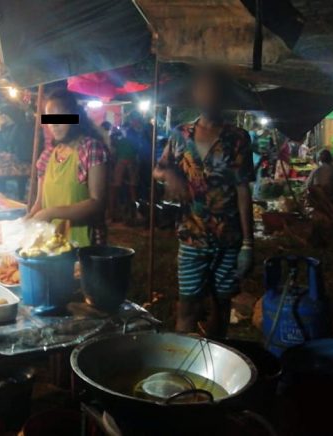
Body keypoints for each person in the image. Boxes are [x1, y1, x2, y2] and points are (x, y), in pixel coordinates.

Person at [153, 68, 254, 338]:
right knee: (188, 305)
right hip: (191, 236)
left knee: (221, 306)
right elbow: (158, 169)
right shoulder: (180, 134)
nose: (209, 96)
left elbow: (243, 189)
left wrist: (248, 243)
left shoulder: (238, 138)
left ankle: (215, 358)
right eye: (204, 90)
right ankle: (182, 359)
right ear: (195, 95)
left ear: (224, 97)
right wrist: (170, 174)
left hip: (228, 237)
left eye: (216, 91)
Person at [28, 89, 109, 247]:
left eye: (61, 117)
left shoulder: (90, 148)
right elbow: (39, 203)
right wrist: (27, 221)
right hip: (51, 243)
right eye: (49, 118)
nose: (54, 124)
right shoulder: (47, 156)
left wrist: (51, 212)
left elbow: (97, 202)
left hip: (84, 243)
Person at [109, 125, 138, 222]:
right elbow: (136, 153)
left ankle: (112, 210)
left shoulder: (119, 141)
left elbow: (115, 154)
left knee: (115, 186)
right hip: (131, 162)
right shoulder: (133, 141)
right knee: (132, 186)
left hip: (121, 161)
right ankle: (134, 206)